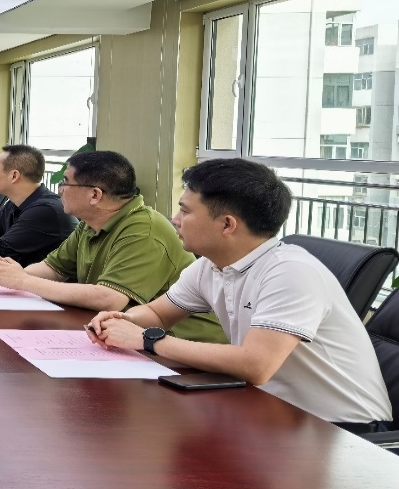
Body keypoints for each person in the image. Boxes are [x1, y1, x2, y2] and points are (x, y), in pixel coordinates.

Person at [86, 159, 391, 429]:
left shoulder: (291, 272)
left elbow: (255, 365)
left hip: (344, 430)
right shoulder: (211, 266)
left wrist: (148, 340)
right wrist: (121, 321)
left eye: (185, 210)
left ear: (227, 224)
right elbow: (158, 313)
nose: (175, 219)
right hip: (272, 412)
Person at [0, 151, 225, 343]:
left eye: (66, 183)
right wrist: (8, 277)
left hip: (180, 345)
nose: (60, 190)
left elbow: (110, 299)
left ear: (95, 195)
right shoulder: (91, 223)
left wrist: (23, 281)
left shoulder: (145, 230)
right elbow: (53, 268)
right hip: (124, 333)